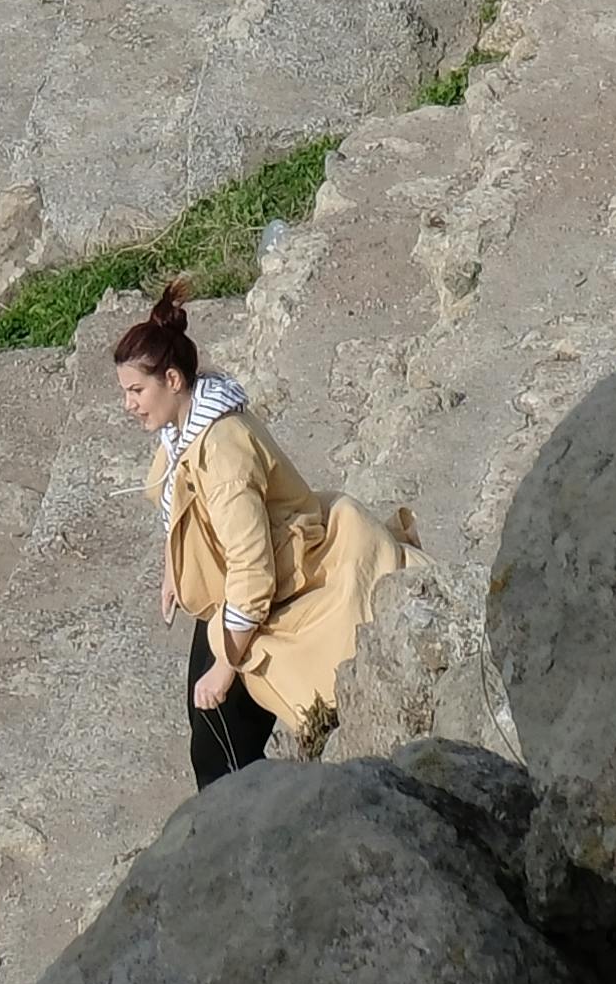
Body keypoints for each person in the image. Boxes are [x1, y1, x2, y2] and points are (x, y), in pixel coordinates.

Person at [110, 286, 407, 785]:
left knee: (222, 756)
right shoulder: (187, 424)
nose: (128, 404)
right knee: (211, 741)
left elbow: (252, 571)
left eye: (135, 391)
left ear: (173, 380)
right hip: (232, 601)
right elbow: (178, 500)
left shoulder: (224, 457)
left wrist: (227, 667)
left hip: (274, 596)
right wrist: (172, 570)